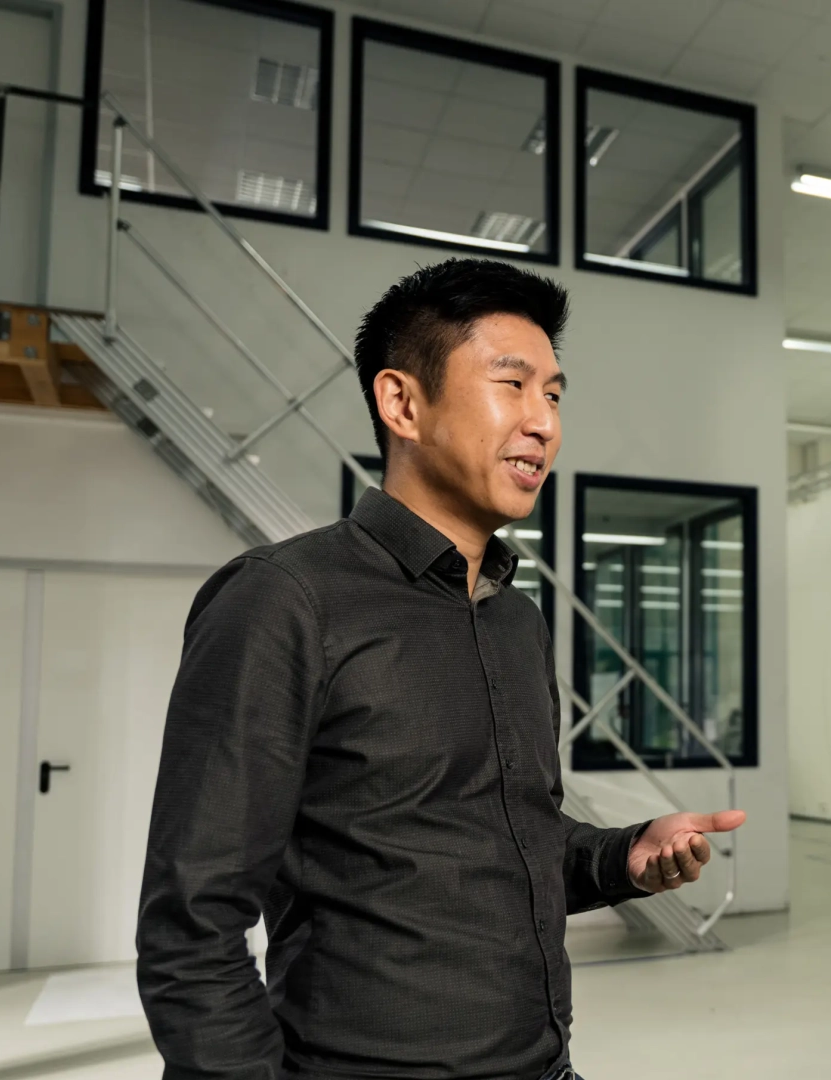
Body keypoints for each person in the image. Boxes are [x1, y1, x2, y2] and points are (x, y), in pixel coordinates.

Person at [136, 257, 746, 1080]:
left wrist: (622, 855)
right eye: (512, 384)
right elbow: (191, 924)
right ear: (403, 403)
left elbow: (500, 845)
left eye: (554, 395)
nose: (543, 423)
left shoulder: (516, 621)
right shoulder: (284, 601)